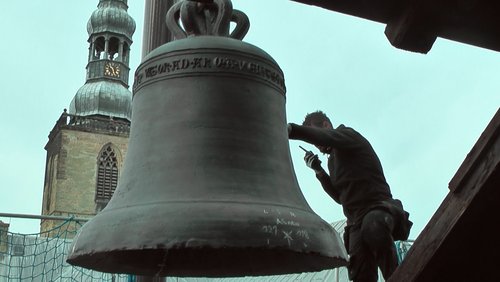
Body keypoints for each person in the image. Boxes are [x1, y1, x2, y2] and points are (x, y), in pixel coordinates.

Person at [287, 111, 412, 282]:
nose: (317, 144)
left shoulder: (348, 136)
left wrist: (292, 130)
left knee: (373, 227)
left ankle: (400, 277)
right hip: (355, 222)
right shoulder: (332, 162)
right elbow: (340, 197)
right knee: (359, 269)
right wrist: (319, 171)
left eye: (316, 136)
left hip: (378, 207)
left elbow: (325, 138)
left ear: (326, 126)